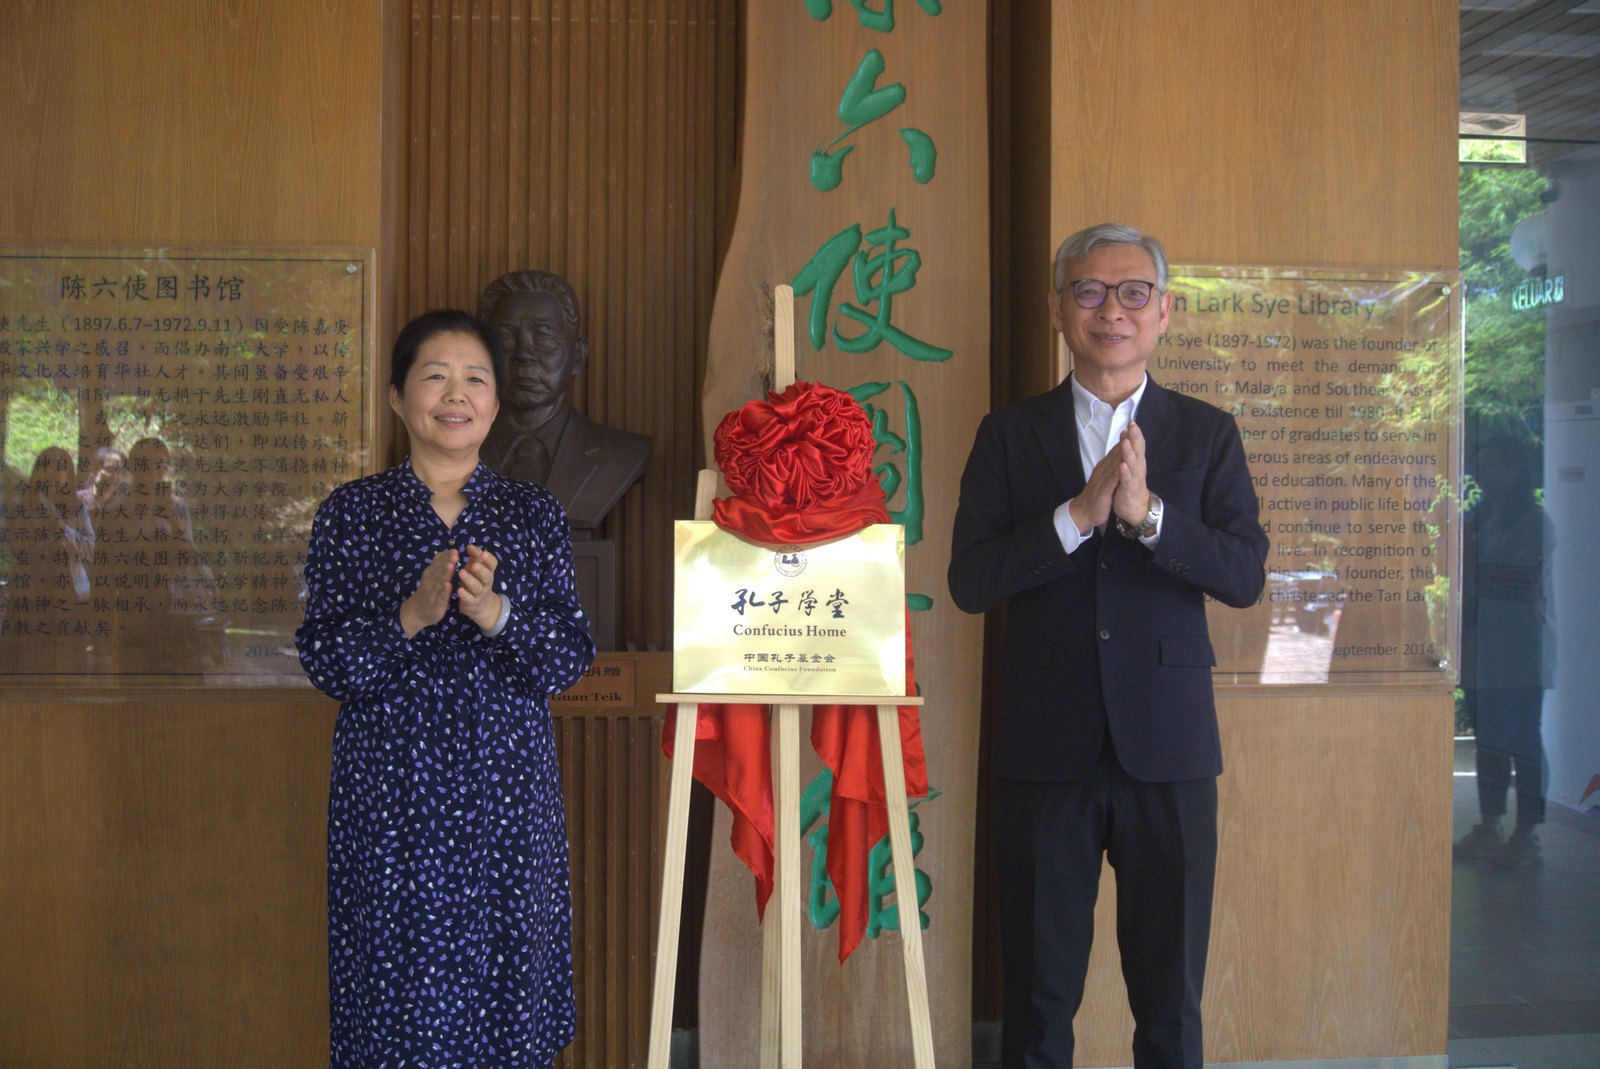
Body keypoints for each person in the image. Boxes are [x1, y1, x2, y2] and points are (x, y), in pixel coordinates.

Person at [949, 223, 1268, 1068]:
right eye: (1089, 292)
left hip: (1167, 748)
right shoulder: (1009, 434)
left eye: (1133, 293)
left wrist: (1148, 516)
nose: (1112, 312)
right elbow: (971, 581)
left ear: (1165, 310)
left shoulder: (1206, 432)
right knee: (1037, 1001)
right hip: (1044, 748)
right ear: (1059, 309)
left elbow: (1243, 574)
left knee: (1170, 1004)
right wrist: (1077, 516)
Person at [295, 309, 596, 1068]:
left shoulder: (532, 514)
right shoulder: (351, 515)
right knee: (391, 1006)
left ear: (494, 403)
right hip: (390, 804)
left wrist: (496, 615)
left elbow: (567, 658)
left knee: (507, 1000)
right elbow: (326, 661)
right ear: (398, 397)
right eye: (435, 376)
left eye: (475, 379)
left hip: (505, 800)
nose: (455, 394)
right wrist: (411, 615)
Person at [478, 269, 650, 531]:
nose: (524, 355)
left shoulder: (623, 453)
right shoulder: (450, 452)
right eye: (505, 337)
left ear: (578, 356)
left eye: (544, 336)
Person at [1453, 434, 1554, 868]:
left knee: (1523, 742)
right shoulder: (1480, 520)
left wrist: (1475, 570)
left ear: (1517, 471)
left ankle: (1527, 834)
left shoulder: (1536, 523)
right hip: (1482, 649)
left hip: (1521, 650)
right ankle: (1490, 826)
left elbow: (1513, 580)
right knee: (1490, 741)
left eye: (1494, 466)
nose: (1485, 476)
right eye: (1482, 467)